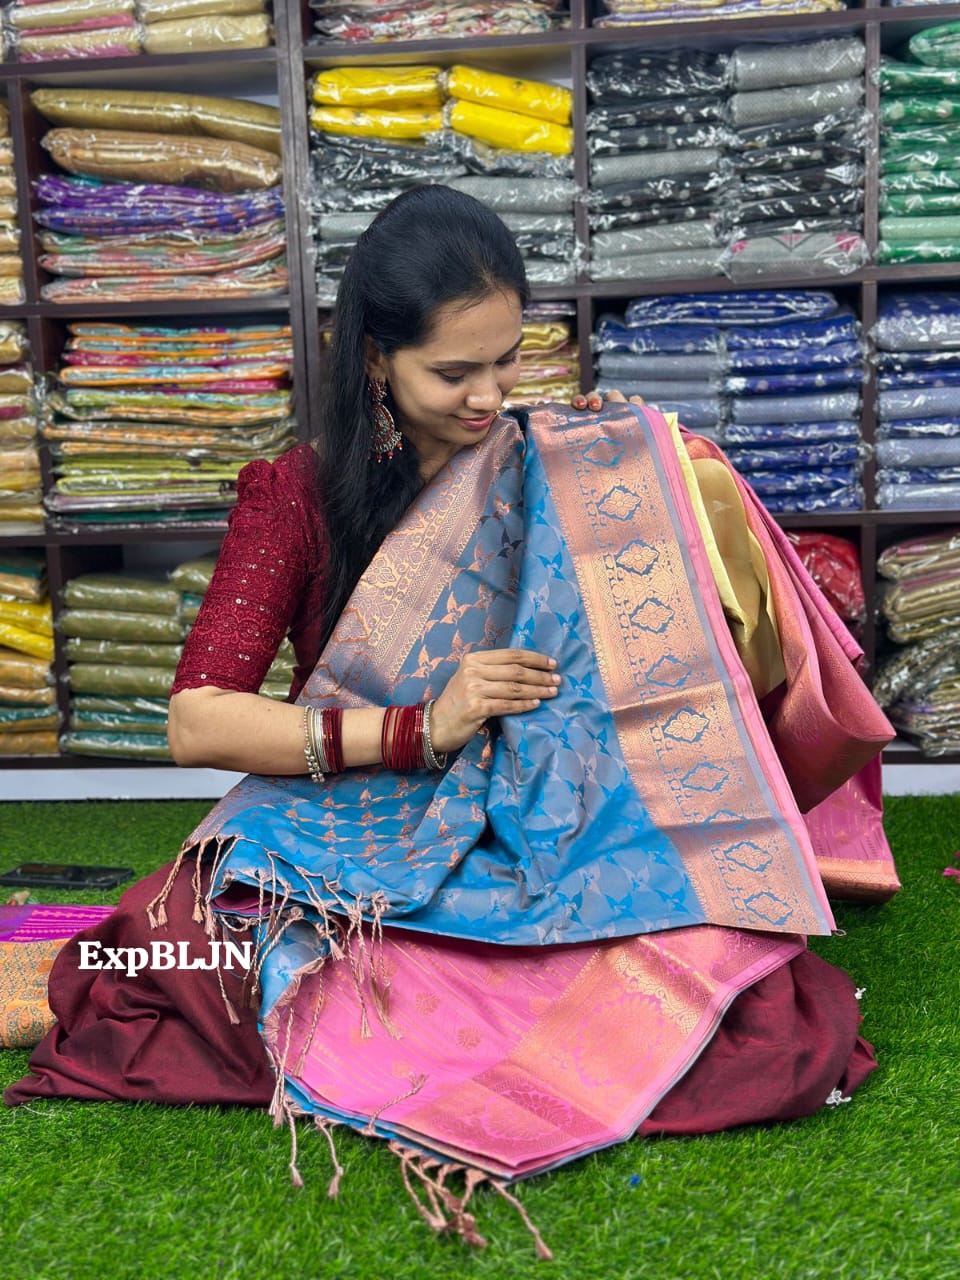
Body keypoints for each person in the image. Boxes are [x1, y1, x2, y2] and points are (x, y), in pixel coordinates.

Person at [5, 185, 897, 1251]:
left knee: (764, 1008)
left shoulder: (559, 467)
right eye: (453, 371)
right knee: (166, 959)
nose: (490, 396)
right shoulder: (296, 493)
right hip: (354, 822)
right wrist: (416, 727)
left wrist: (680, 497)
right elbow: (197, 722)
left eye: (508, 360)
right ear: (376, 359)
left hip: (549, 821)